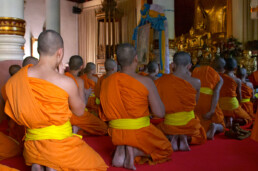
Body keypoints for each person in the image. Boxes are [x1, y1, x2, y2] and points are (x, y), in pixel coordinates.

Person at [4, 30, 107, 171]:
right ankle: (53, 163)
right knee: (98, 166)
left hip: (32, 144)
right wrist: (79, 89)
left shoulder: (16, 80)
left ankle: (39, 161)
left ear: (38, 50)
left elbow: (16, 115)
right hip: (60, 145)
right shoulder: (65, 82)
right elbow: (79, 111)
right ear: (60, 52)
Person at [100, 43, 172, 170]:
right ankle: (135, 151)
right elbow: (160, 113)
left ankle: (123, 149)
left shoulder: (106, 82)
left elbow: (103, 112)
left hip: (116, 133)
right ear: (136, 58)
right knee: (165, 149)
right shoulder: (146, 81)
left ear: (117, 61)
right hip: (140, 132)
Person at [156, 52, 206, 151]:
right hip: (189, 125)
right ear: (189, 66)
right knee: (201, 135)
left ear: (173, 64)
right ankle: (186, 138)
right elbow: (195, 102)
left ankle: (171, 137)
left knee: (157, 132)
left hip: (169, 125)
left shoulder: (161, 81)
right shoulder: (196, 82)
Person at [65, 55, 107, 136]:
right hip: (76, 114)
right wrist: (87, 94)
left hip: (63, 114)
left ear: (69, 65)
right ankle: (78, 128)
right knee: (104, 128)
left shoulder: (61, 77)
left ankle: (76, 128)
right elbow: (81, 107)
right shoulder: (79, 81)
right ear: (81, 67)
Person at [192, 62, 225, 140]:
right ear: (222, 68)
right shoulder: (219, 78)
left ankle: (204, 131)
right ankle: (215, 126)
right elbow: (216, 92)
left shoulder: (195, 71)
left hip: (197, 100)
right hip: (209, 101)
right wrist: (212, 110)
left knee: (199, 121)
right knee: (222, 125)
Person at [219, 58, 252, 128]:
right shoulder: (237, 80)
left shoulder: (218, 77)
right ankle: (232, 120)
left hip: (220, 105)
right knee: (248, 118)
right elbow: (239, 96)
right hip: (232, 104)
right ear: (235, 69)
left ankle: (226, 119)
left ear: (224, 67)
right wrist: (239, 107)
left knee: (222, 113)